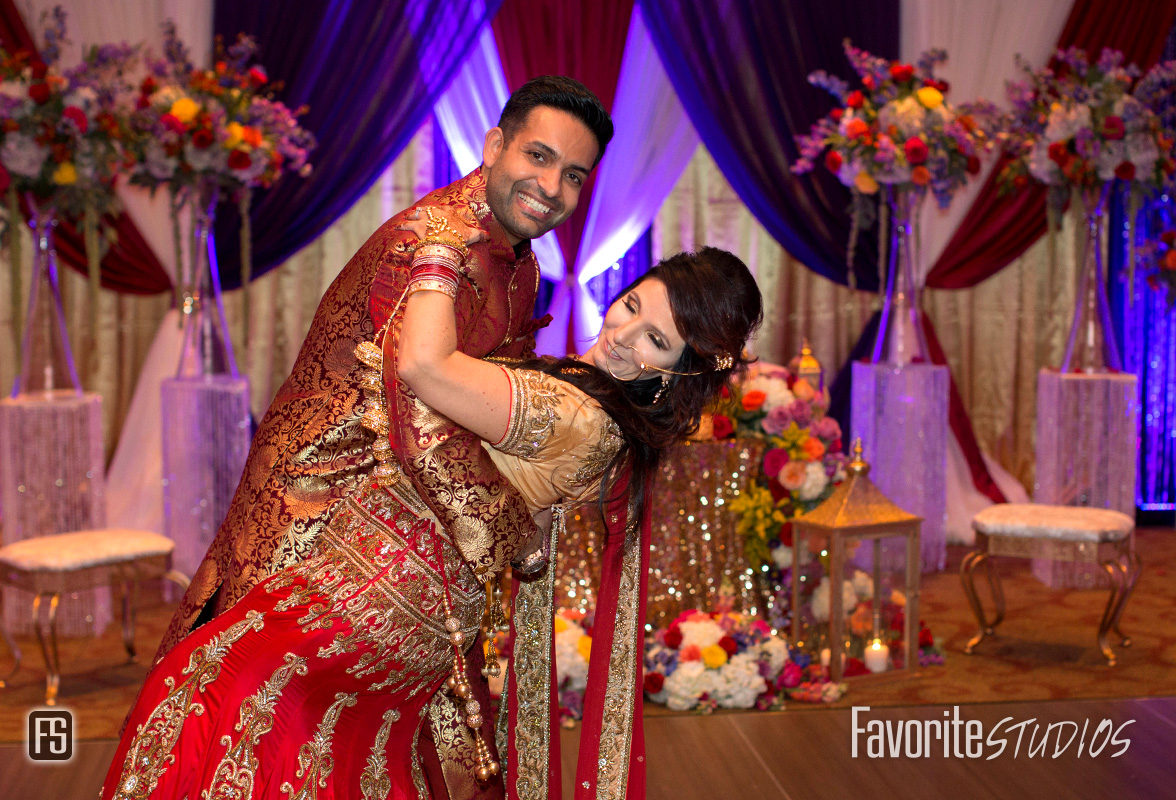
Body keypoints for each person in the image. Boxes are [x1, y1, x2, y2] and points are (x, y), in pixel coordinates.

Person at [100, 219, 763, 799]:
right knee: (323, 755)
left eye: (655, 340)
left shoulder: (577, 416)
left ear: (682, 370)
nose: (622, 335)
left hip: (377, 599)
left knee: (208, 695)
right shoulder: (595, 405)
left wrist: (437, 255)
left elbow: (426, 369)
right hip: (399, 599)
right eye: (630, 306)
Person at [147, 76, 612, 797]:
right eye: (538, 156)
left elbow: (490, 395)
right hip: (317, 513)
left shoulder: (520, 262)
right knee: (264, 723)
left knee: (387, 730)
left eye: (573, 174)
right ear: (495, 146)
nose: (550, 186)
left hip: (404, 524)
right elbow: (422, 421)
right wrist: (517, 529)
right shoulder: (429, 248)